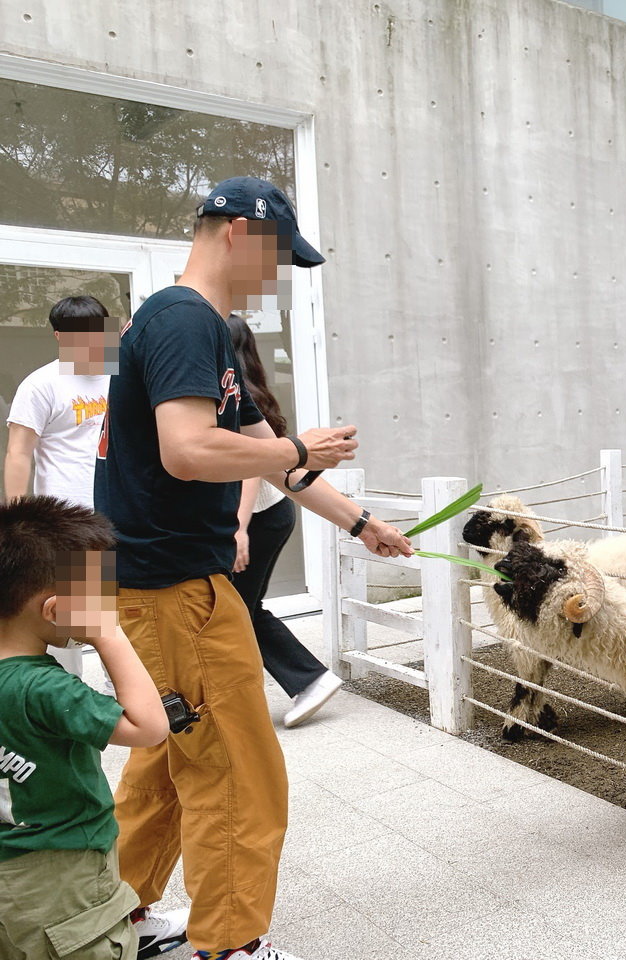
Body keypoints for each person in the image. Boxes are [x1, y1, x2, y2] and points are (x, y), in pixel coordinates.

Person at [95, 176, 413, 960]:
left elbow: (265, 458)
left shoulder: (199, 325)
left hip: (155, 588)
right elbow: (192, 449)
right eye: (279, 257)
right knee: (237, 771)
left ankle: (116, 919)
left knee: (170, 763)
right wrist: (297, 446)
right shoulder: (182, 319)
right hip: (174, 591)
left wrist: (362, 523)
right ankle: (231, 945)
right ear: (237, 232)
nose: (279, 277)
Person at [0, 496, 169, 960]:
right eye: (99, 595)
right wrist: (108, 633)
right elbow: (148, 725)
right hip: (63, 878)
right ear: (53, 609)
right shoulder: (43, 687)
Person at [227, 314, 342, 728]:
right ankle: (302, 680)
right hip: (267, 515)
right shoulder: (245, 390)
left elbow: (250, 469)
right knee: (239, 606)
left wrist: (238, 529)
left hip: (258, 515)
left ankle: (309, 679)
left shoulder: (239, 397)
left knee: (237, 607)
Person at [4, 296, 112, 507]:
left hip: (120, 508)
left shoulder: (121, 378)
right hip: (65, 514)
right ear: (60, 337)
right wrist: (16, 520)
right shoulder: (41, 384)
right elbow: (18, 452)